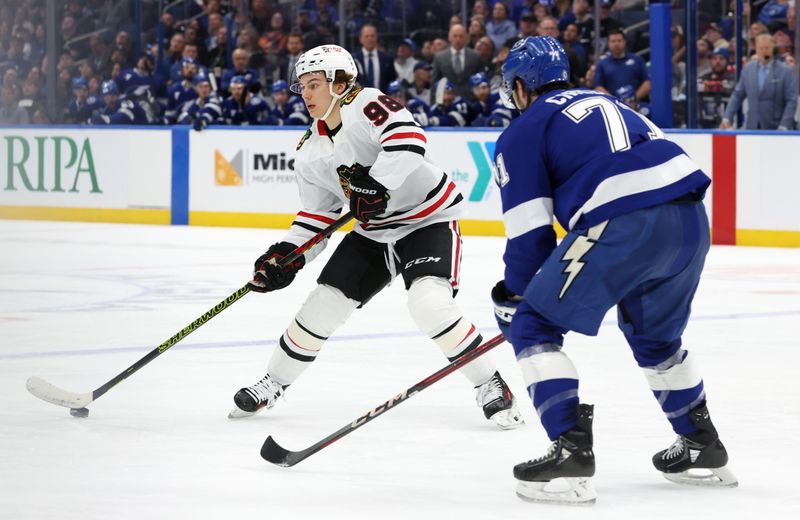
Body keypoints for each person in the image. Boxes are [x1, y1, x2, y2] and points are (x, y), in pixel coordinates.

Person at [489, 36, 738, 505]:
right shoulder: (614, 104)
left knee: (535, 326)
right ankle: (703, 446)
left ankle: (569, 452)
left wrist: (517, 299)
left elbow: (529, 235)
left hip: (624, 218)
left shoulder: (523, 130)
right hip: (690, 219)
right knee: (655, 339)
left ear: (520, 86)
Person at [228, 44, 523, 431]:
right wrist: (288, 254)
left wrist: (377, 186)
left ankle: (490, 383)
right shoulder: (308, 151)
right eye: (303, 86)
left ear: (340, 83)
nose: (307, 94)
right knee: (323, 304)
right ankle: (274, 381)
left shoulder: (366, 103)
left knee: (428, 303)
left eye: (315, 84)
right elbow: (318, 215)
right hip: (374, 233)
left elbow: (409, 140)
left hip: (426, 220)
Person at [721, 33, 797, 130]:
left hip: (777, 128)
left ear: (773, 49)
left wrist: (784, 125)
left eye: (767, 48)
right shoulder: (748, 69)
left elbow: (791, 100)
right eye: (761, 48)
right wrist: (727, 117)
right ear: (756, 49)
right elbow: (737, 95)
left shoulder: (785, 71)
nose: (764, 51)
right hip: (752, 127)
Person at [594, 29, 650, 103]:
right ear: (608, 43)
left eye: (619, 41)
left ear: (625, 42)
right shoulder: (602, 63)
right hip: (613, 105)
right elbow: (598, 87)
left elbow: (647, 83)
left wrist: (633, 99)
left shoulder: (637, 59)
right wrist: (615, 102)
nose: (616, 44)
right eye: (613, 41)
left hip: (637, 105)